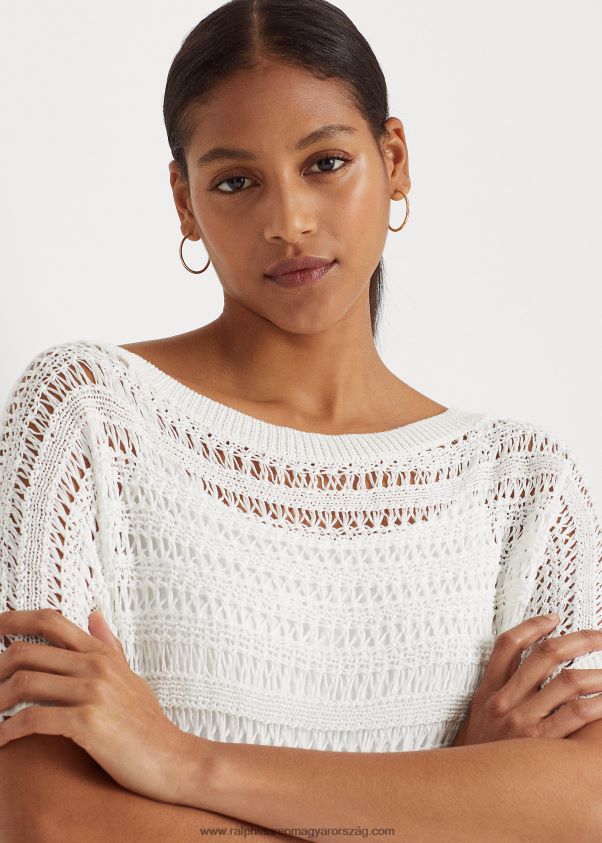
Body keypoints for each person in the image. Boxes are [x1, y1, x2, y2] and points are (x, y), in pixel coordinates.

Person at [1, 0, 602, 838]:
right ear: (184, 201)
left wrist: (182, 760)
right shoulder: (88, 415)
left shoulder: (524, 489)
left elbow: (585, 802)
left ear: (394, 160)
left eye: (325, 162)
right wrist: (451, 800)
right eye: (235, 181)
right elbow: (41, 812)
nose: (289, 221)